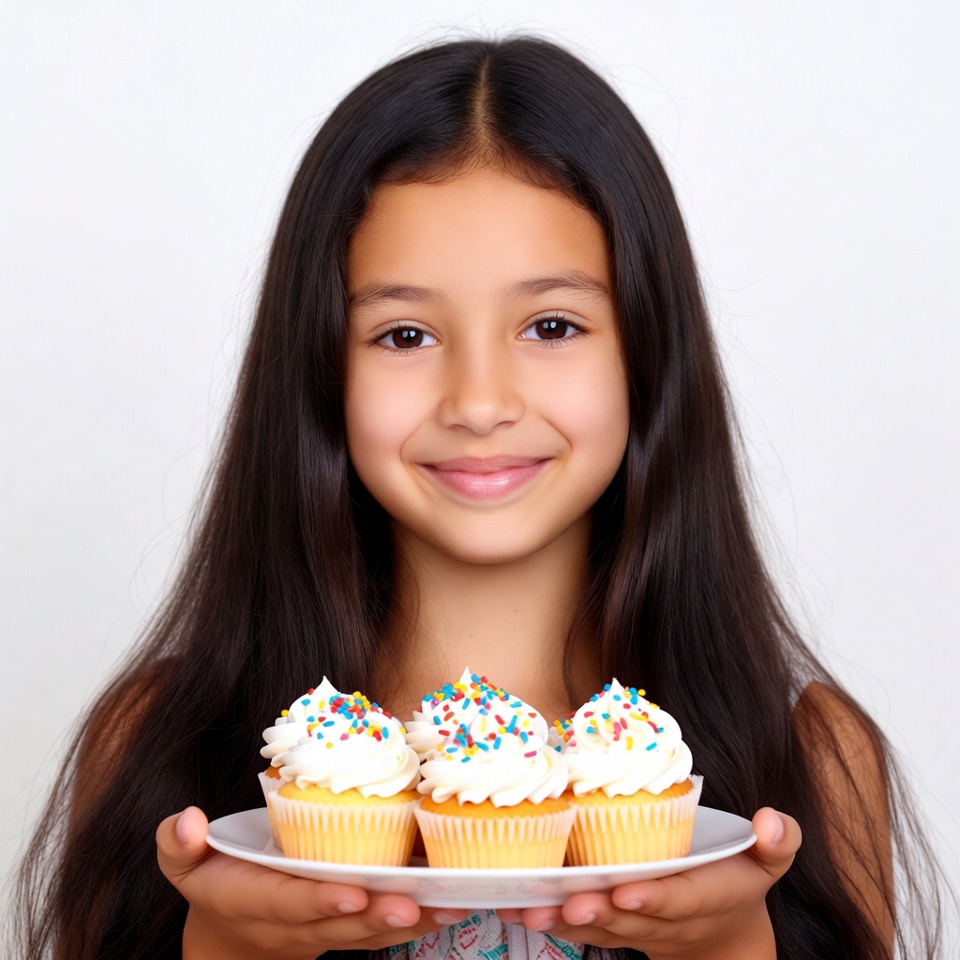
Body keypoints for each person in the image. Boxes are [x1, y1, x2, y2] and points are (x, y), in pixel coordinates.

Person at [12, 36, 948, 960]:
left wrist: (727, 944)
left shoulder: (811, 761)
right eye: (405, 334)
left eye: (551, 324)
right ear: (316, 372)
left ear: (648, 356)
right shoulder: (161, 747)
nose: (481, 403)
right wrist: (226, 945)